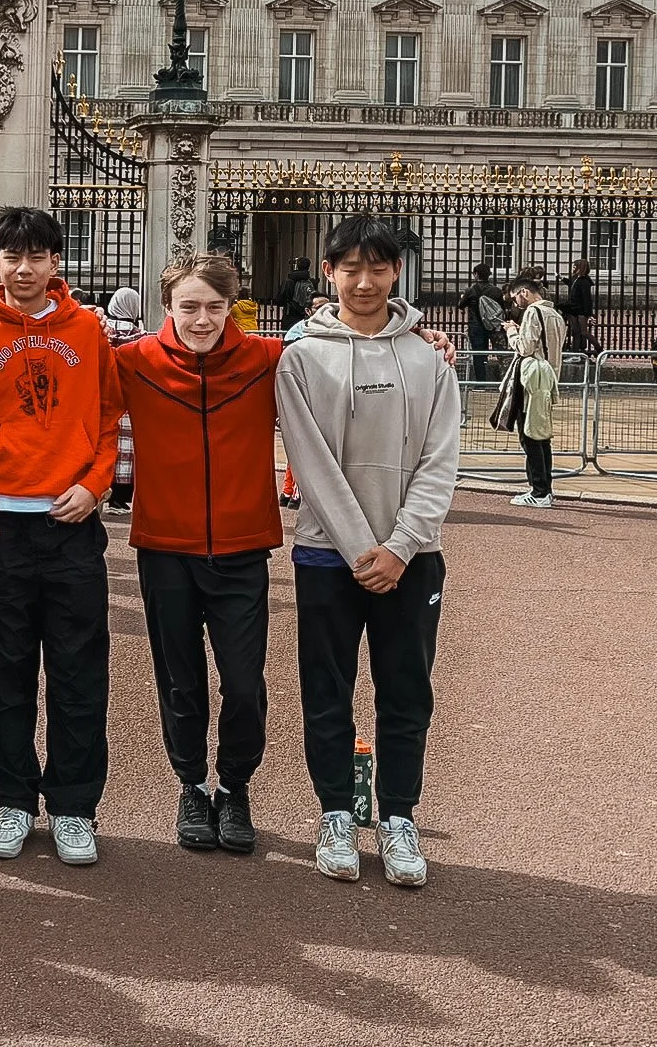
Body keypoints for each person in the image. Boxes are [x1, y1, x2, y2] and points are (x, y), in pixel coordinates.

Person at [275, 216, 460, 889]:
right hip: (331, 554)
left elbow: (442, 462)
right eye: (349, 268)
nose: (363, 280)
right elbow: (310, 463)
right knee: (328, 691)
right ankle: (334, 813)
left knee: (406, 690)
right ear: (328, 273)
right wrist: (363, 549)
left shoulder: (428, 357)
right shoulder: (301, 357)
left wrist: (401, 546)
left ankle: (400, 815)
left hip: (412, 557)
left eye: (377, 268)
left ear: (396, 273)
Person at [0, 206, 123, 867]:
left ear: (55, 263)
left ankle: (74, 805)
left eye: (37, 257)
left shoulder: (87, 328)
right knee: (1, 672)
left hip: (71, 521)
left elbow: (109, 414)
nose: (24, 270)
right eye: (11, 258)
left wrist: (98, 481)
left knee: (79, 672)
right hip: (1, 526)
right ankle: (14, 799)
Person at [115, 253, 285, 857]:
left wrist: (422, 334)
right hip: (165, 546)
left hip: (243, 546)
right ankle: (191, 785)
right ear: (168, 308)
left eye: (214, 306)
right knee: (179, 678)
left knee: (244, 683)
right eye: (189, 306)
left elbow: (346, 351)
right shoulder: (133, 362)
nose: (202, 318)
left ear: (231, 307)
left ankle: (235, 787)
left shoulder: (269, 359)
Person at [504, 278, 565, 509]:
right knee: (541, 435)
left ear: (524, 292)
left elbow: (525, 348)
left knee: (529, 435)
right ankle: (544, 489)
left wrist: (512, 332)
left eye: (516, 297)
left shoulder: (532, 311)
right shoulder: (555, 315)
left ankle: (539, 490)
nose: (517, 303)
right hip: (549, 379)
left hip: (532, 380)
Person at [102, 288, 146, 516]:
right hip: (129, 398)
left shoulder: (103, 330)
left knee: (107, 444)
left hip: (104, 397)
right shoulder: (141, 336)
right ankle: (121, 497)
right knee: (128, 449)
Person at [460, 263, 505, 383]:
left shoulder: (470, 290)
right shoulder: (496, 291)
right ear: (489, 275)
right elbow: (502, 309)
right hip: (492, 326)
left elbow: (460, 306)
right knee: (500, 354)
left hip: (475, 327)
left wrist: (464, 297)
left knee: (478, 354)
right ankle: (501, 380)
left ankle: (481, 382)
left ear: (476, 274)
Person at [275, 256, 317, 334]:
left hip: (290, 316)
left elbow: (279, 300)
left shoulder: (289, 281)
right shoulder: (312, 282)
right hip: (305, 316)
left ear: (297, 266)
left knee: (289, 341)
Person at [564, 259, 596, 355]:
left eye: (575, 266)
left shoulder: (584, 282)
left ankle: (599, 349)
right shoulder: (575, 278)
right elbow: (571, 283)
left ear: (580, 268)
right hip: (573, 309)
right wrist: (561, 278)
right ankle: (575, 352)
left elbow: (587, 299)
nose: (573, 268)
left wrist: (589, 314)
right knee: (576, 332)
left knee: (584, 332)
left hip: (581, 310)